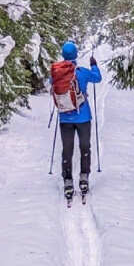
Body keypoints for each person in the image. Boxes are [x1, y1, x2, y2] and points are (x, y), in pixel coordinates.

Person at [50, 41, 101, 201]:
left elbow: (51, 85)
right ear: (76, 55)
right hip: (83, 116)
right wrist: (94, 65)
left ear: (63, 55)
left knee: (67, 149)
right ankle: (84, 177)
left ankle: (67, 180)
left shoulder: (57, 73)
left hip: (65, 117)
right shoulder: (82, 72)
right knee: (85, 146)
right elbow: (98, 78)